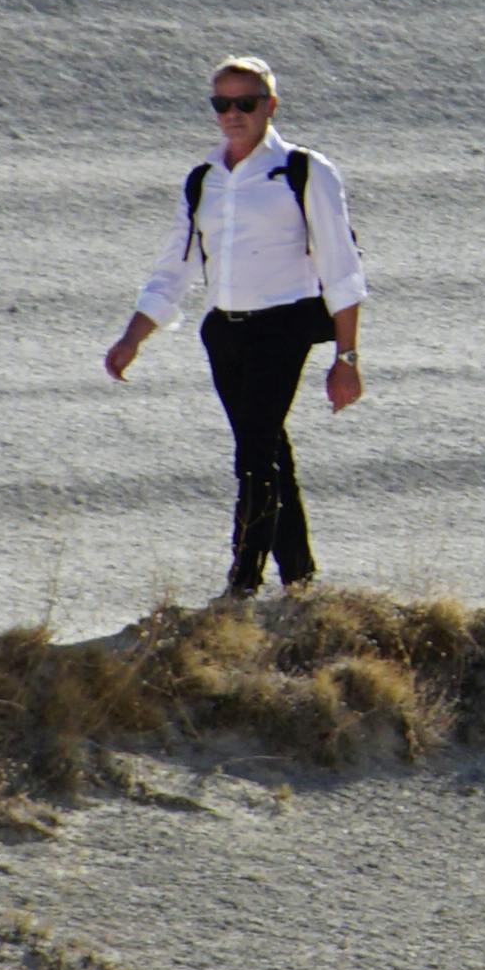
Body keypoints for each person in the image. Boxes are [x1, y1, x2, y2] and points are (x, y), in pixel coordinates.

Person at [105, 52, 365, 595]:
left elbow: (342, 269)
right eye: (222, 103)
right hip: (224, 332)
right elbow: (174, 268)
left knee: (252, 456)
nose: (233, 114)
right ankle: (300, 580)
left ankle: (242, 583)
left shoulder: (304, 170)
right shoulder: (203, 179)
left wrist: (346, 359)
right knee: (269, 450)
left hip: (284, 327)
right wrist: (133, 338)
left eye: (245, 103)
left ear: (270, 106)